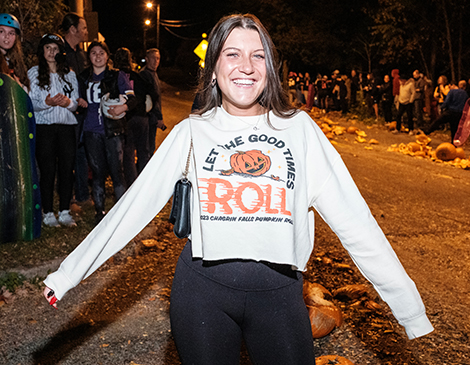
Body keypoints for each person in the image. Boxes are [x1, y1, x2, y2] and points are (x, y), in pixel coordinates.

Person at [43, 14, 434, 364]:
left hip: (280, 296)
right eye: (232, 54)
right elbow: (133, 206)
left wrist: (408, 307)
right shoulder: (192, 133)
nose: (246, 66)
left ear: (270, 69)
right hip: (201, 295)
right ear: (213, 69)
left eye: (258, 55)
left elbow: (356, 223)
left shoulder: (299, 131)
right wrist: (67, 275)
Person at [77, 41, 136, 224]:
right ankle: (100, 212)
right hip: (90, 130)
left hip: (113, 131)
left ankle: (121, 214)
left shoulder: (117, 76)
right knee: (97, 172)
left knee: (117, 171)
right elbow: (75, 97)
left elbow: (133, 99)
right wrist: (78, 101)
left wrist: (122, 107)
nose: (97, 56)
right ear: (89, 57)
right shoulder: (83, 77)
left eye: (101, 52)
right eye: (93, 53)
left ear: (107, 56)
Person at [28, 34, 80, 227]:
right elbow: (32, 103)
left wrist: (68, 103)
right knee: (48, 170)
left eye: (55, 48)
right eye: (48, 48)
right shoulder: (33, 73)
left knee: (67, 169)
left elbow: (75, 104)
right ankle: (48, 212)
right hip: (45, 128)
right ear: (42, 51)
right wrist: (47, 102)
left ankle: (65, 211)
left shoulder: (70, 74)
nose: (51, 52)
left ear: (61, 52)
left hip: (66, 127)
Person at [59, 13, 91, 207]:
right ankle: (68, 195)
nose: (86, 31)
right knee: (67, 154)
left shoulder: (79, 53)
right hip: (67, 112)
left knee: (80, 152)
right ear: (73, 30)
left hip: (82, 112)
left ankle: (82, 194)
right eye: (84, 28)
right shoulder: (60, 53)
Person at [114, 47, 151, 187]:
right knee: (143, 151)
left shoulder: (116, 76)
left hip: (127, 117)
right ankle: (144, 181)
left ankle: (132, 183)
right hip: (142, 116)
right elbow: (151, 92)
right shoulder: (137, 76)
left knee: (128, 151)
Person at [139, 48, 165, 154]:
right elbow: (152, 98)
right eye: (153, 58)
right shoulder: (145, 75)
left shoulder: (153, 73)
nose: (156, 61)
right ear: (147, 59)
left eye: (158, 58)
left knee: (149, 147)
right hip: (148, 117)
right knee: (147, 148)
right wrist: (159, 117)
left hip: (151, 117)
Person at [0, 13, 30, 90]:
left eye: (11, 33)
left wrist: (19, 87)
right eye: (1, 31)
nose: (7, 36)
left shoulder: (15, 62)